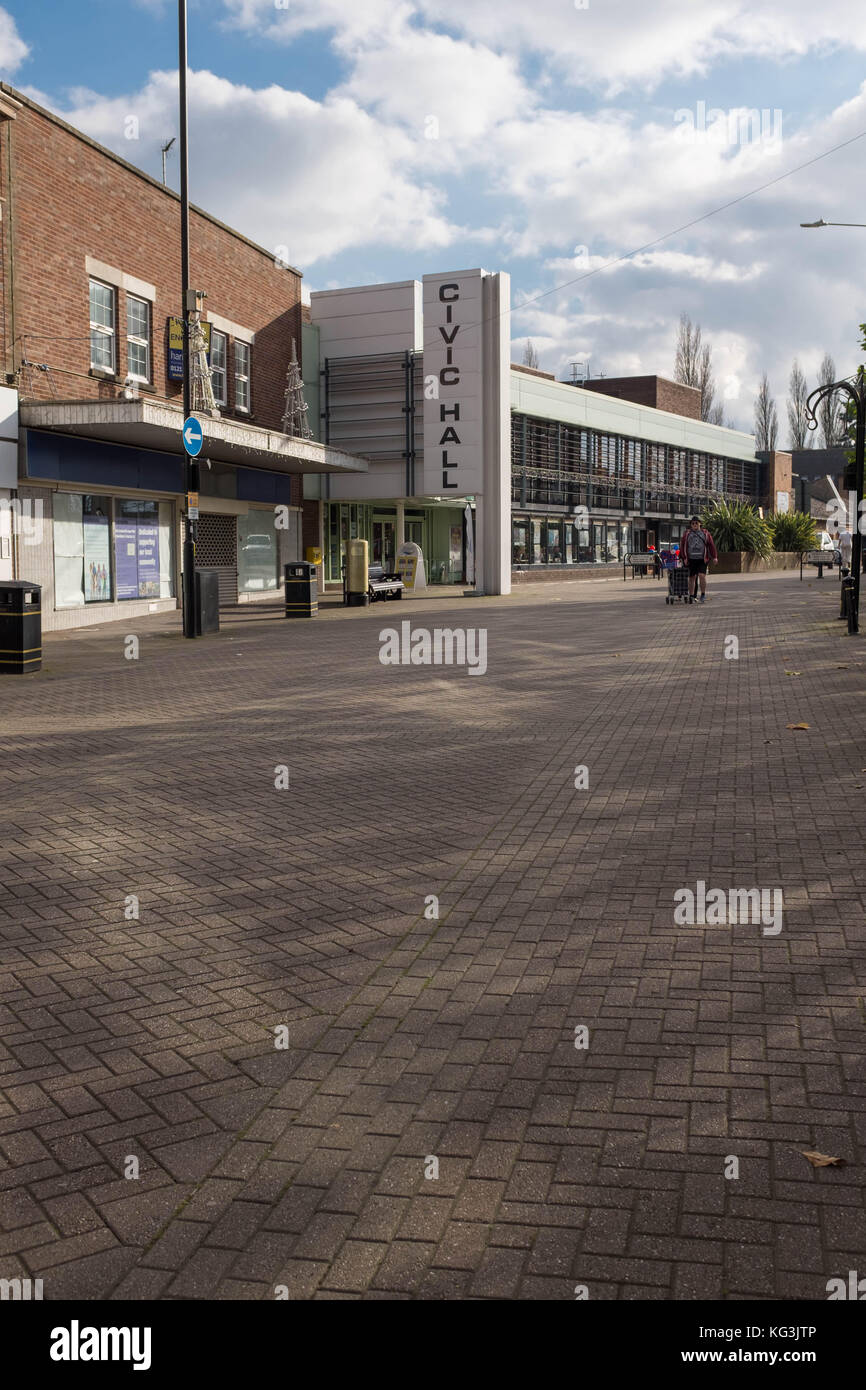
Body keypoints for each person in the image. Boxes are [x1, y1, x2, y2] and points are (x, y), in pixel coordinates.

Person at [679, 515, 718, 602]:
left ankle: (703, 594)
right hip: (691, 559)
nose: (694, 525)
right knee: (691, 577)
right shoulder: (687, 534)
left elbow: (711, 545)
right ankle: (692, 595)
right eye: (692, 523)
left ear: (700, 524)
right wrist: (682, 557)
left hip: (702, 559)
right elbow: (682, 546)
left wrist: (714, 557)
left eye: (696, 523)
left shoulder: (705, 533)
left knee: (701, 575)